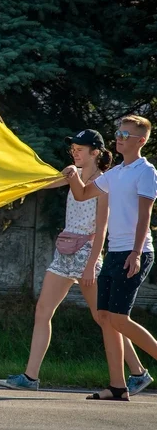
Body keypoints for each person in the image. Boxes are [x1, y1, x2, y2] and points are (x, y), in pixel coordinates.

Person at [0, 129, 150, 392]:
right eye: (73, 149)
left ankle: (137, 372)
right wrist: (8, 178)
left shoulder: (105, 182)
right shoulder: (73, 175)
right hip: (64, 251)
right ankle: (30, 377)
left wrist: (92, 264)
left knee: (106, 318)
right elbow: (44, 183)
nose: (75, 152)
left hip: (87, 253)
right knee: (43, 311)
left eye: (80, 149)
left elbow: (102, 228)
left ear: (96, 153)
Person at [63, 116, 157, 401]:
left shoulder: (146, 171)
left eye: (125, 134)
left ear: (140, 141)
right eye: (118, 133)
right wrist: (72, 176)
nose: (119, 138)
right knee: (105, 317)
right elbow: (81, 195)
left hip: (135, 252)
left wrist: (136, 253)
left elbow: (145, 216)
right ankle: (117, 386)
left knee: (118, 317)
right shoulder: (114, 174)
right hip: (113, 252)